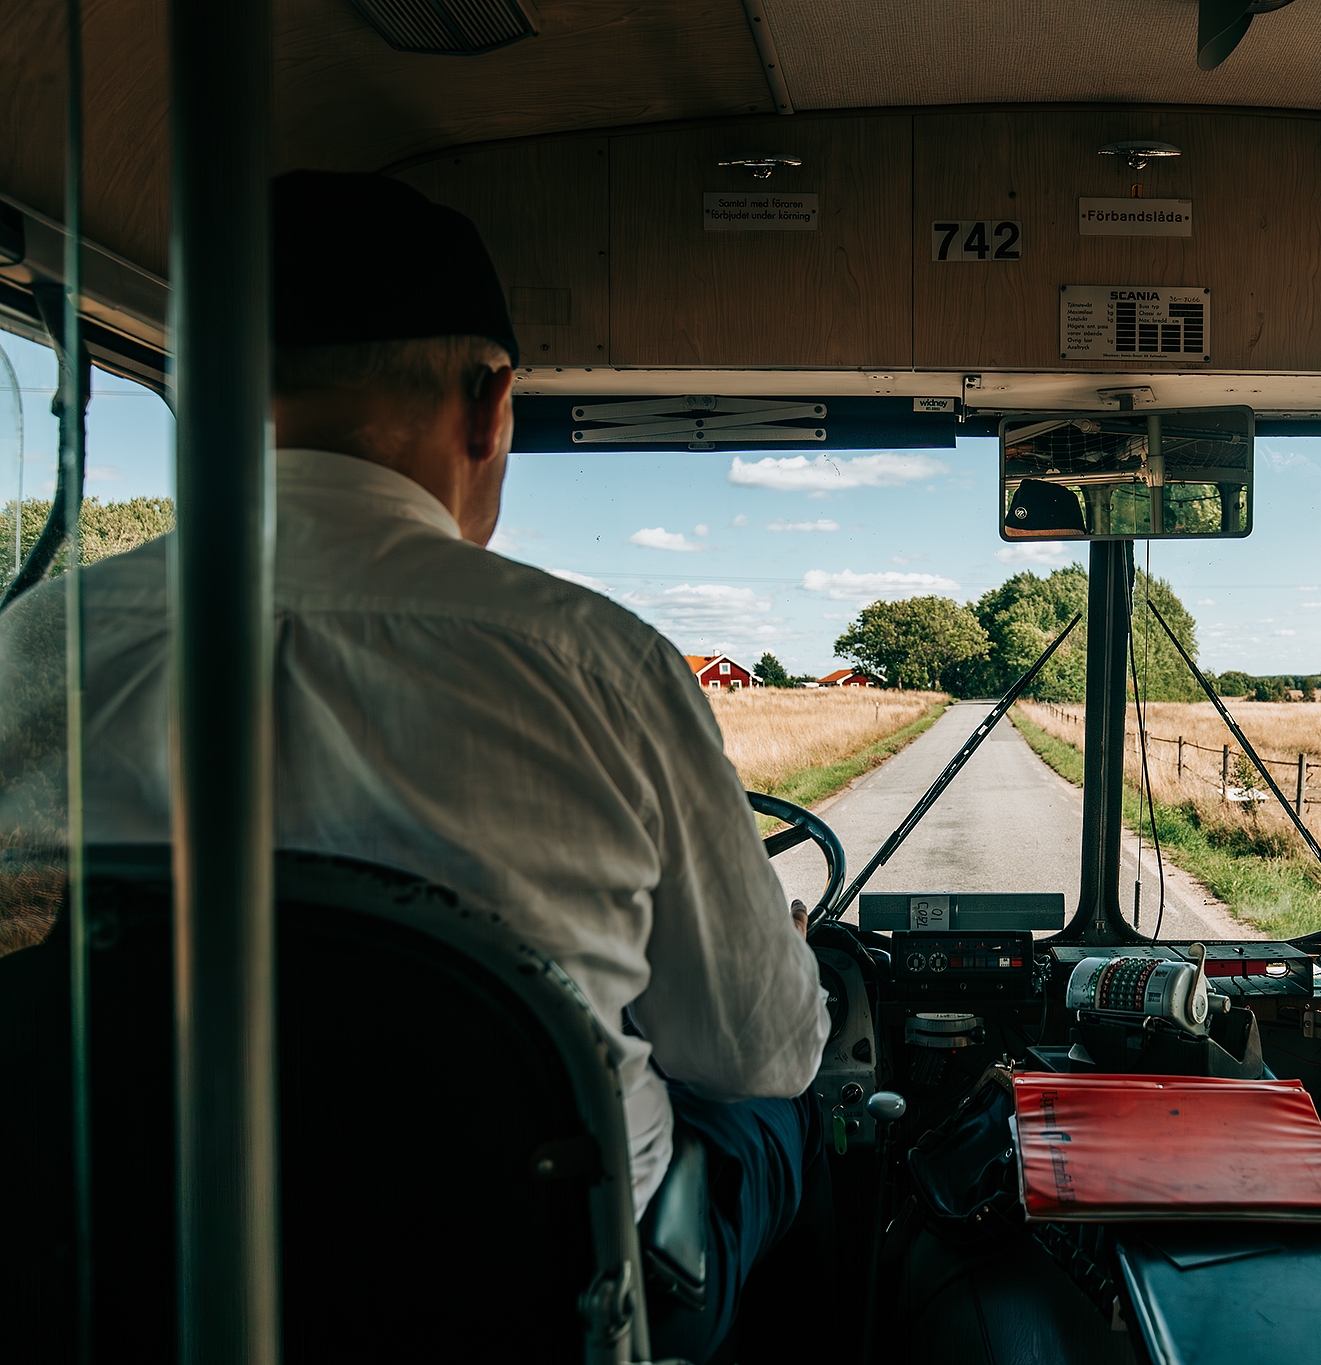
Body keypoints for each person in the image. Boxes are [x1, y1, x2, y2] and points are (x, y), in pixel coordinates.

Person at [0, 171, 829, 1358]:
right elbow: (757, 1049)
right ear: (491, 406)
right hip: (526, 1296)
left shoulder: (35, 642)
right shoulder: (603, 665)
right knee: (784, 1120)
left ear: (200, 395)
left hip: (122, 1276)